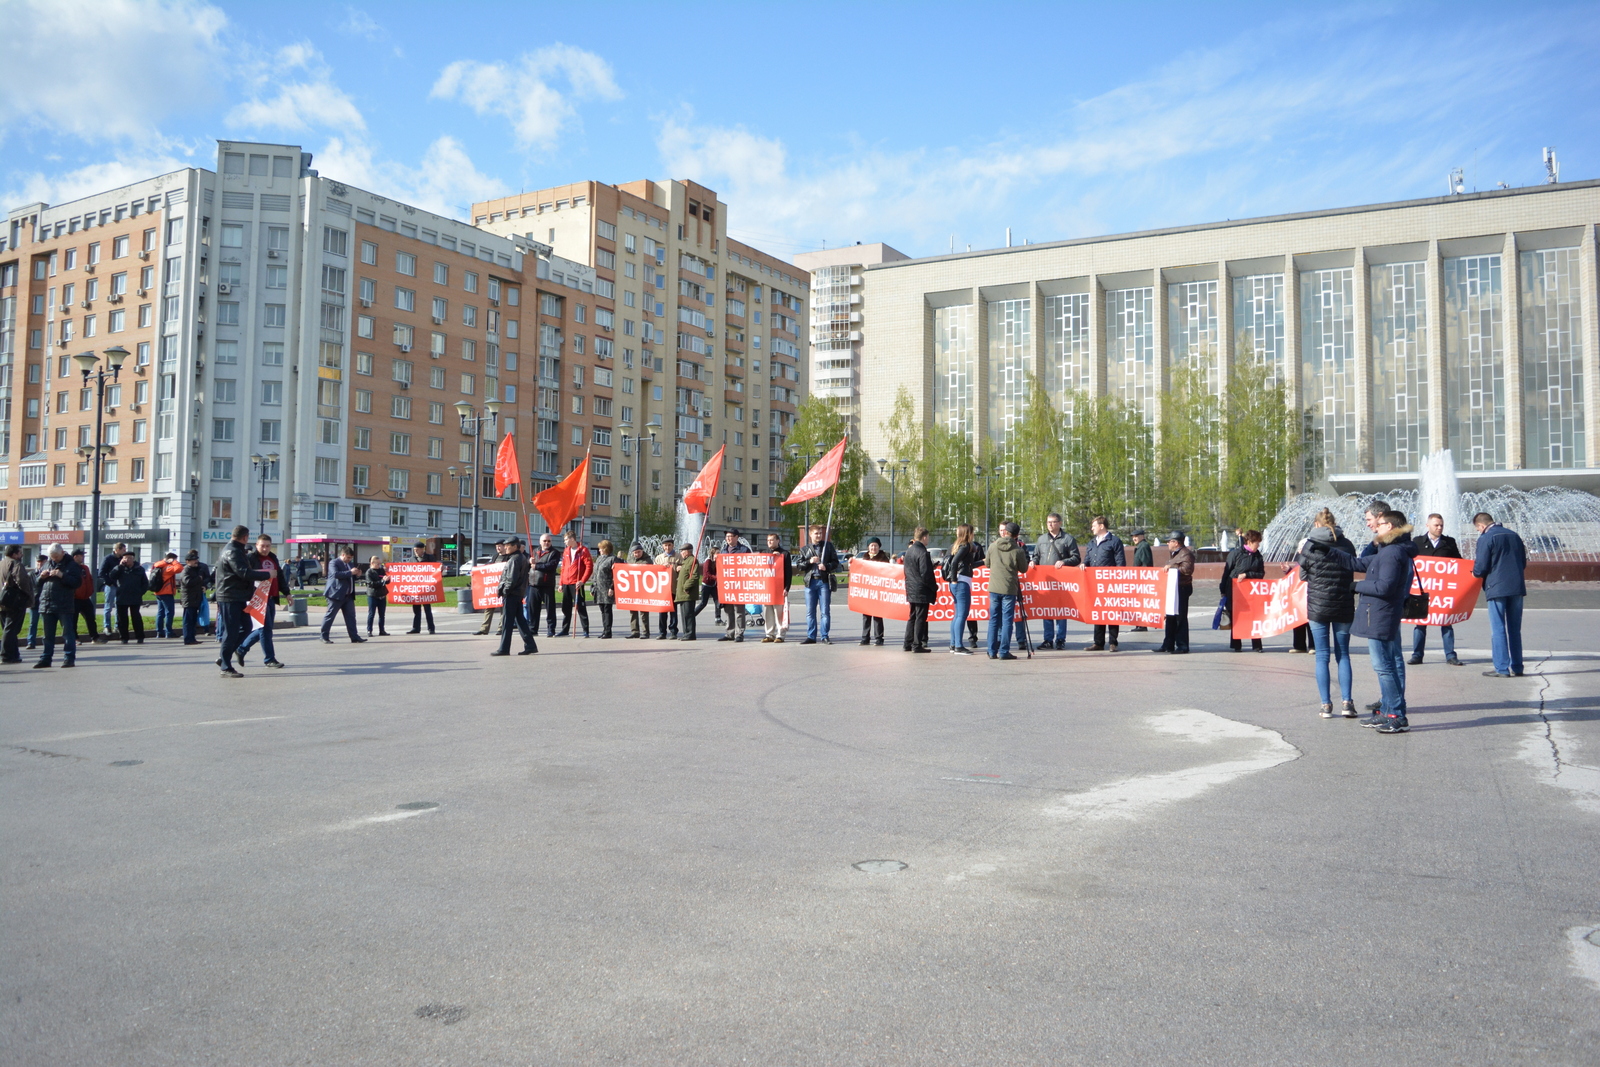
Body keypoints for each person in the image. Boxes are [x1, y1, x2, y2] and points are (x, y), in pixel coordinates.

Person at [1351, 510, 1417, 732]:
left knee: (1384, 667)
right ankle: (1387, 711)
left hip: (1382, 615)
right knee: (1386, 665)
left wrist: (1355, 586)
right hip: (1382, 614)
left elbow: (1384, 587)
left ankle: (1396, 715)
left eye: (1378, 524)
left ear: (1389, 526)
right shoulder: (1390, 551)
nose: (1375, 527)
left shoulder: (1391, 553)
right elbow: (1357, 563)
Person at [1297, 509, 1359, 717]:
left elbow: (1302, 575)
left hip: (1318, 606)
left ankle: (1325, 705)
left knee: (1322, 656)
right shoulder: (1347, 544)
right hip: (1343, 604)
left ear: (1316, 525)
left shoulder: (1309, 545)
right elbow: (1352, 568)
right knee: (1343, 655)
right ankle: (1347, 703)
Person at [1473, 511, 1528, 679]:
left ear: (1481, 526)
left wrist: (1474, 574)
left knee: (1498, 629)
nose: (1479, 532)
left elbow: (1481, 567)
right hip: (1517, 587)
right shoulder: (1514, 535)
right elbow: (1523, 562)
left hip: (1496, 587)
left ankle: (1502, 668)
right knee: (1514, 629)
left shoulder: (1487, 537)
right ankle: (1517, 666)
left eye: (1478, 529)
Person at [1410, 513, 1463, 666]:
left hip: (1443, 590)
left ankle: (1450, 655)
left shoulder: (1449, 542)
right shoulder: (1417, 541)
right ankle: (1417, 655)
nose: (1439, 528)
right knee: (1420, 622)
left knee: (1446, 622)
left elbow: (1458, 563)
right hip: (1422, 590)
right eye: (1436, 525)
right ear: (1428, 525)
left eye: (1441, 525)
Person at [216, 525, 269, 677]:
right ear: (245, 537)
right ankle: (225, 666)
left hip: (238, 595)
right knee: (231, 631)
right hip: (229, 596)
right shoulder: (232, 550)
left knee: (246, 627)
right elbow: (243, 572)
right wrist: (266, 574)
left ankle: (224, 655)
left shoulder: (237, 549)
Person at [236, 534, 288, 668]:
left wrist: (287, 593)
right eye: (262, 546)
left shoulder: (273, 557)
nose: (265, 549)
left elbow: (280, 576)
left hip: (271, 598)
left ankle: (241, 649)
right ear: (256, 546)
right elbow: (246, 576)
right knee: (264, 629)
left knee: (265, 629)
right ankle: (269, 659)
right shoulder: (250, 558)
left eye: (268, 546)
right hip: (258, 598)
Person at [30, 545, 83, 668]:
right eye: (52, 557)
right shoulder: (48, 563)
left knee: (67, 634)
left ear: (63, 553)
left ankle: (69, 658)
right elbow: (36, 583)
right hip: (46, 603)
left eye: (56, 557)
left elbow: (77, 583)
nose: (54, 559)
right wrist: (41, 577)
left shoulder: (72, 565)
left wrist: (62, 575)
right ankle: (46, 659)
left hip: (64, 604)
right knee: (47, 635)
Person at [1033, 513, 1080, 649]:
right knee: (1047, 611)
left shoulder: (1068, 539)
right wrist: (1033, 562)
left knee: (1060, 611)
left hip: (1061, 582)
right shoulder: (1042, 539)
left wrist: (1064, 562)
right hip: (1045, 581)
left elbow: (1076, 558)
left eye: (1053, 522)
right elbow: (1036, 556)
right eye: (1048, 522)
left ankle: (1060, 639)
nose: (1050, 525)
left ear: (1059, 523)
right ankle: (1048, 639)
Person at [983, 521, 1028, 660]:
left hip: (994, 587)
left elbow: (987, 564)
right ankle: (1004, 651)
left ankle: (991, 650)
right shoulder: (1018, 550)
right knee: (1007, 620)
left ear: (1005, 532)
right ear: (1016, 535)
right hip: (1009, 588)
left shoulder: (992, 546)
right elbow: (1024, 569)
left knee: (993, 620)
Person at [1082, 516, 1125, 652]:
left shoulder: (1115, 541)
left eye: (1094, 525)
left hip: (1111, 583)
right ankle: (1098, 643)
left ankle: (1113, 642)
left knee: (1112, 613)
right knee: (1098, 612)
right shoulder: (1091, 543)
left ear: (1101, 526)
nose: (1092, 528)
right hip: (1095, 584)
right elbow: (1087, 559)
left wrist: (1118, 581)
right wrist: (1083, 564)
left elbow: (1120, 564)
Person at [489, 538, 538, 656]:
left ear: (515, 547)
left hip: (511, 595)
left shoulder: (514, 560)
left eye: (508, 546)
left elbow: (511, 579)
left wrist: (505, 592)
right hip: (517, 594)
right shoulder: (520, 558)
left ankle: (504, 648)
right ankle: (530, 645)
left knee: (507, 622)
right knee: (520, 621)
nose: (505, 547)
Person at [1223, 531, 1266, 652]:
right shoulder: (1236, 554)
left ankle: (1257, 645)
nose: (1258, 545)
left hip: (1252, 592)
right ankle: (1236, 644)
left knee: (1254, 617)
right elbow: (1227, 573)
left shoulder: (1258, 556)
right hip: (1235, 591)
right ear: (1250, 542)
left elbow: (1261, 574)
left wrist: (1247, 574)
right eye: (1257, 542)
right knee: (1236, 617)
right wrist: (1223, 590)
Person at [797, 525, 840, 645]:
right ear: (810, 535)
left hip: (823, 582)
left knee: (825, 611)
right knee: (810, 611)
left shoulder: (828, 546)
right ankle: (811, 636)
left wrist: (827, 567)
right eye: (816, 533)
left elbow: (836, 562)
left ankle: (825, 636)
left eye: (820, 533)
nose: (819, 535)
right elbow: (799, 565)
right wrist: (809, 562)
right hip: (810, 582)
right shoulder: (805, 549)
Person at [944, 524, 981, 655]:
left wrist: (984, 561)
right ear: (968, 533)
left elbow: (967, 565)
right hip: (961, 582)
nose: (974, 535)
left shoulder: (956, 546)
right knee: (962, 615)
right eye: (972, 532)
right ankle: (958, 646)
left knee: (957, 615)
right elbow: (954, 563)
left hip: (957, 582)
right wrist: (954, 579)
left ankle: (954, 644)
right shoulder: (965, 546)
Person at [319, 546, 366, 646]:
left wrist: (356, 575)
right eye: (348, 557)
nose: (349, 560)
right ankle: (324, 636)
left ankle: (354, 637)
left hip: (348, 595)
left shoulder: (350, 564)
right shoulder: (334, 563)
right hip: (335, 594)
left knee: (351, 617)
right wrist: (350, 572)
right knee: (330, 616)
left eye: (351, 558)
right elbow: (336, 574)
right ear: (343, 555)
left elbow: (350, 577)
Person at [1159, 532, 1195, 654]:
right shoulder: (1175, 554)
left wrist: (1172, 568)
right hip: (1173, 589)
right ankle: (1168, 644)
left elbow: (1187, 570)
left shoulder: (1186, 554)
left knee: (1180, 618)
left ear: (1176, 542)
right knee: (1170, 617)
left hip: (1182, 589)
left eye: (1169, 541)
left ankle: (1182, 645)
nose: (1168, 543)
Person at [1, 543, 37, 664]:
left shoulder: (1, 563)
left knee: (9, 629)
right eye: (20, 552)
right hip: (14, 601)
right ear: (15, 554)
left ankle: (14, 654)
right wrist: (28, 595)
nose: (22, 555)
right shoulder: (16, 564)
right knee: (11, 629)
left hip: (2, 601)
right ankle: (6, 655)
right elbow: (22, 581)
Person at [902, 527, 935, 653]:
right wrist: (933, 587)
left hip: (911, 588)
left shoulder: (909, 551)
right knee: (921, 617)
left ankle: (907, 643)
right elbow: (925, 573)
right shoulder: (922, 552)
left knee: (912, 616)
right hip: (921, 589)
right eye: (928, 537)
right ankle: (917, 644)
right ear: (924, 537)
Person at [556, 531, 594, 637]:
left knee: (581, 607)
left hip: (577, 583)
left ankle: (585, 630)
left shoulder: (583, 550)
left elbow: (589, 567)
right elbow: (563, 568)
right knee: (566, 607)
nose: (565, 542)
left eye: (566, 539)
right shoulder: (566, 551)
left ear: (572, 539)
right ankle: (565, 629)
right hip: (566, 583)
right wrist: (561, 583)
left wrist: (582, 581)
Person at [716, 530, 751, 643]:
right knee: (728, 610)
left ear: (737, 537)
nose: (728, 539)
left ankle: (739, 633)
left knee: (739, 610)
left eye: (731, 536)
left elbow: (750, 566)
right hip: (727, 585)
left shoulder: (744, 550)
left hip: (739, 584)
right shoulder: (723, 550)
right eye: (727, 537)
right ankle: (730, 633)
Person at [856, 538, 891, 646]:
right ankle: (865, 637)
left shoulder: (883, 558)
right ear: (868, 547)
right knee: (866, 615)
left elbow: (887, 572)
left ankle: (879, 638)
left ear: (879, 547)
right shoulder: (864, 558)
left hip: (878, 591)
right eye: (871, 545)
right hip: (866, 591)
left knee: (877, 615)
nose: (873, 548)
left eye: (875, 546)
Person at [761, 533, 794, 643]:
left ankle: (780, 634)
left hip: (779, 588)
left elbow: (788, 573)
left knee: (778, 612)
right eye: (768, 540)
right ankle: (769, 634)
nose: (769, 542)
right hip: (767, 588)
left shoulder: (784, 554)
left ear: (778, 540)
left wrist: (787, 588)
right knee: (767, 612)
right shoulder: (765, 554)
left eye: (771, 540)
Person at [111, 552, 150, 644]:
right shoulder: (120, 568)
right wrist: (119, 566)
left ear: (133, 559)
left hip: (135, 596)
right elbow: (112, 576)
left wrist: (140, 592)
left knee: (136, 617)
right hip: (122, 596)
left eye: (129, 558)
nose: (127, 560)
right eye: (125, 558)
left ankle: (140, 637)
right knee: (122, 619)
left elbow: (145, 583)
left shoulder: (139, 569)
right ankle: (124, 637)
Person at [530, 533, 561, 637]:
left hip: (547, 584)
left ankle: (551, 629)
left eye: (549, 541)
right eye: (545, 541)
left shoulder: (554, 553)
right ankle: (533, 629)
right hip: (534, 584)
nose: (547, 543)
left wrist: (536, 566)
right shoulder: (534, 551)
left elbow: (551, 566)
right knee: (533, 609)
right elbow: (529, 564)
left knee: (550, 609)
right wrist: (529, 561)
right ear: (540, 542)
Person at [403, 542, 438, 634]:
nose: (415, 552)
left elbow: (435, 570)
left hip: (426, 588)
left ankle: (431, 628)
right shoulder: (411, 559)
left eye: (417, 550)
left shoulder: (430, 558)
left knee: (427, 609)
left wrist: (440, 568)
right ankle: (416, 628)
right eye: (414, 550)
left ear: (422, 549)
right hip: (416, 588)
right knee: (416, 610)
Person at [475, 540, 508, 636]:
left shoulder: (508, 557)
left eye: (500, 546)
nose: (498, 548)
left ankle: (501, 628)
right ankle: (484, 628)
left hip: (503, 586)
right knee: (489, 607)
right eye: (496, 546)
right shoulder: (495, 557)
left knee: (503, 608)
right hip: (493, 587)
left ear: (504, 546)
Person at [70, 549, 101, 643]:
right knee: (73, 620)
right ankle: (75, 638)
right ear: (75, 557)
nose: (83, 557)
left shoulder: (85, 568)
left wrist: (90, 591)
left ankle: (95, 637)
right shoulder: (70, 567)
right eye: (81, 556)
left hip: (85, 598)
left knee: (91, 618)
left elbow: (90, 580)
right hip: (74, 598)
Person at [149, 552, 182, 639]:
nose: (176, 561)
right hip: (166, 592)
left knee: (160, 612)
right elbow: (179, 568)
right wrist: (174, 562)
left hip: (158, 592)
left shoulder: (158, 565)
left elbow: (156, 564)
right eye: (175, 559)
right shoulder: (167, 568)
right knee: (169, 612)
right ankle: (169, 632)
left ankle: (159, 632)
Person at [98, 541, 127, 638]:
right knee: (108, 606)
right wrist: (109, 582)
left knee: (118, 607)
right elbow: (101, 573)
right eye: (123, 550)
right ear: (117, 550)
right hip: (111, 586)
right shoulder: (108, 559)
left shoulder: (122, 559)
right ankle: (107, 626)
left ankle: (117, 625)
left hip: (120, 586)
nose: (125, 551)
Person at [178, 550, 207, 644]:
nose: (196, 561)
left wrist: (202, 586)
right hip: (189, 599)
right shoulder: (186, 570)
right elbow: (188, 582)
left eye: (196, 560)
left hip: (195, 599)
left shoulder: (195, 570)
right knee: (188, 621)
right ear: (187, 561)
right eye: (193, 560)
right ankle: (188, 639)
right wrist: (199, 579)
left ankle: (192, 638)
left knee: (193, 620)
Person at [653, 538, 679, 639]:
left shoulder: (678, 557)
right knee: (662, 612)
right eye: (665, 545)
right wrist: (661, 567)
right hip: (662, 590)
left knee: (673, 611)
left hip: (673, 588)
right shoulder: (659, 558)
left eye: (669, 545)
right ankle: (662, 632)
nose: (667, 547)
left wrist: (677, 568)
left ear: (673, 545)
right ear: (662, 547)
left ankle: (673, 631)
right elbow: (653, 572)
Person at [673, 543, 700, 640]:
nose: (681, 553)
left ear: (688, 551)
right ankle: (686, 633)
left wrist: (686, 587)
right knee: (684, 615)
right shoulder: (686, 561)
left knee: (688, 615)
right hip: (683, 594)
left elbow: (694, 576)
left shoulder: (693, 561)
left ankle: (690, 634)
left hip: (687, 593)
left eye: (682, 551)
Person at [1128, 529, 1154, 631]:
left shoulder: (1143, 546)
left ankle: (1142, 624)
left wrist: (1143, 579)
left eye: (1136, 536)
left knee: (1141, 602)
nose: (1134, 538)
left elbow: (1146, 564)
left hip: (1142, 579)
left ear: (1142, 536)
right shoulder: (1140, 546)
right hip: (1139, 578)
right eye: (1133, 536)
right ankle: (1140, 624)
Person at [626, 543, 652, 639]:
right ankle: (635, 631)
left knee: (643, 611)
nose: (637, 554)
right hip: (632, 588)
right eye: (635, 552)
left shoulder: (647, 560)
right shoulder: (630, 559)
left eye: (638, 552)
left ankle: (645, 632)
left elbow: (646, 569)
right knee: (632, 611)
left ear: (642, 551)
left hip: (643, 589)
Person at [593, 538, 617, 639]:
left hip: (607, 588)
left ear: (606, 548)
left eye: (601, 548)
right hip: (599, 588)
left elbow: (615, 575)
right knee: (602, 609)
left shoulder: (613, 559)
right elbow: (595, 573)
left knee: (607, 610)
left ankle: (608, 631)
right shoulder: (599, 559)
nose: (599, 550)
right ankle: (604, 630)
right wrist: (593, 587)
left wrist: (612, 587)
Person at [25, 552, 48, 649]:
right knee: (32, 623)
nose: (40, 564)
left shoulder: (48, 573)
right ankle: (31, 642)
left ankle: (47, 641)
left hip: (45, 601)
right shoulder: (31, 574)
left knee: (46, 623)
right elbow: (29, 587)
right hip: (35, 601)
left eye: (42, 562)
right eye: (38, 562)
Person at [364, 555, 390, 637]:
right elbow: (371, 584)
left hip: (382, 594)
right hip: (373, 595)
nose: (380, 565)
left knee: (382, 614)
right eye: (378, 564)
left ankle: (382, 630)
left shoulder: (381, 571)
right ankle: (369, 630)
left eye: (380, 564)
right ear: (372, 563)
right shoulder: (369, 572)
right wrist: (382, 581)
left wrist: (387, 580)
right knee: (371, 613)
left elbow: (385, 582)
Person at [695, 545, 720, 620]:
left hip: (713, 585)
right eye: (717, 553)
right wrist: (716, 578)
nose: (719, 554)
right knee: (703, 603)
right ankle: (693, 615)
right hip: (706, 585)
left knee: (717, 601)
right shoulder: (708, 561)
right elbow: (707, 574)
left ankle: (718, 618)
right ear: (713, 553)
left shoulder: (717, 561)